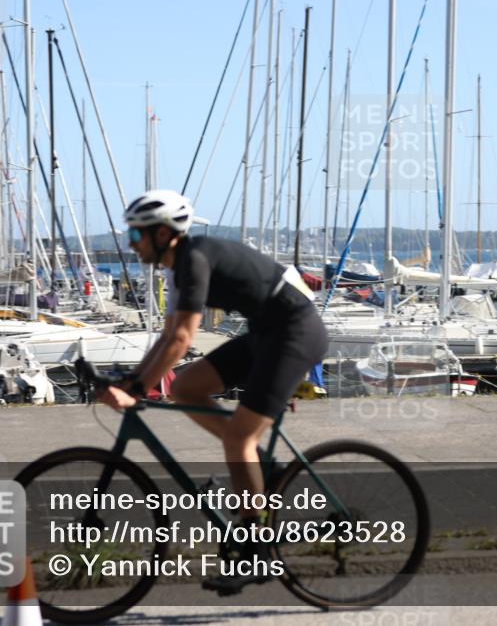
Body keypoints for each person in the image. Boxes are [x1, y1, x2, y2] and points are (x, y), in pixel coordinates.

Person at [96, 189, 328, 593]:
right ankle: (261, 467)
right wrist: (134, 380)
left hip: (295, 333)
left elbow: (184, 338)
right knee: (184, 388)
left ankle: (258, 554)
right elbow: (169, 335)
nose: (131, 245)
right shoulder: (176, 268)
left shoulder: (195, 259)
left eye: (137, 237)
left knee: (238, 437)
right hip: (265, 334)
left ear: (165, 233)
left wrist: (136, 389)